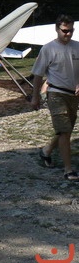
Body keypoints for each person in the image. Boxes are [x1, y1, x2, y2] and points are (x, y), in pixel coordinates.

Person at [30, 14, 79, 181]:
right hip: (56, 93)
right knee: (64, 131)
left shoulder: (77, 47)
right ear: (57, 29)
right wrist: (35, 97)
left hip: (73, 95)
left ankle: (46, 151)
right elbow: (38, 75)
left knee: (66, 129)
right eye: (65, 31)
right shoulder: (48, 49)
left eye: (71, 30)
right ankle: (68, 170)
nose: (68, 34)